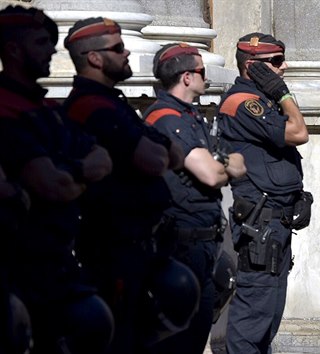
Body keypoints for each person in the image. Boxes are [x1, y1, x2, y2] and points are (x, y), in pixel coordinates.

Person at [63, 17, 185, 354]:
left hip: (139, 245)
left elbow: (174, 155)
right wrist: (154, 149)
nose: (127, 51)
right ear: (95, 58)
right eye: (118, 48)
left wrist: (154, 149)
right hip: (113, 248)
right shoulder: (92, 106)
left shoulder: (115, 104)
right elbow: (157, 160)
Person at [0, 6, 114, 353]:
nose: (52, 50)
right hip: (21, 268)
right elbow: (53, 184)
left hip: (58, 260)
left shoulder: (47, 109)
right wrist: (75, 173)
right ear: (13, 50)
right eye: (41, 42)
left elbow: (103, 159)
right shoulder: (5, 109)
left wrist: (67, 173)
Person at [143, 42, 246, 354]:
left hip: (202, 244)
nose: (207, 77)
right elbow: (213, 174)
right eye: (202, 71)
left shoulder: (191, 117)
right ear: (186, 77)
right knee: (178, 340)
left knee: (196, 332)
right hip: (180, 245)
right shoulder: (165, 118)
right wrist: (224, 164)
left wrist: (222, 163)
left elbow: (235, 162)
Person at [217, 32, 312, 353]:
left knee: (269, 314)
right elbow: (299, 132)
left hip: (276, 221)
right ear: (252, 68)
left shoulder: (263, 101)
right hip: (261, 222)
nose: (283, 67)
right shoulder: (242, 103)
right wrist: (284, 94)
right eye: (275, 62)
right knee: (253, 313)